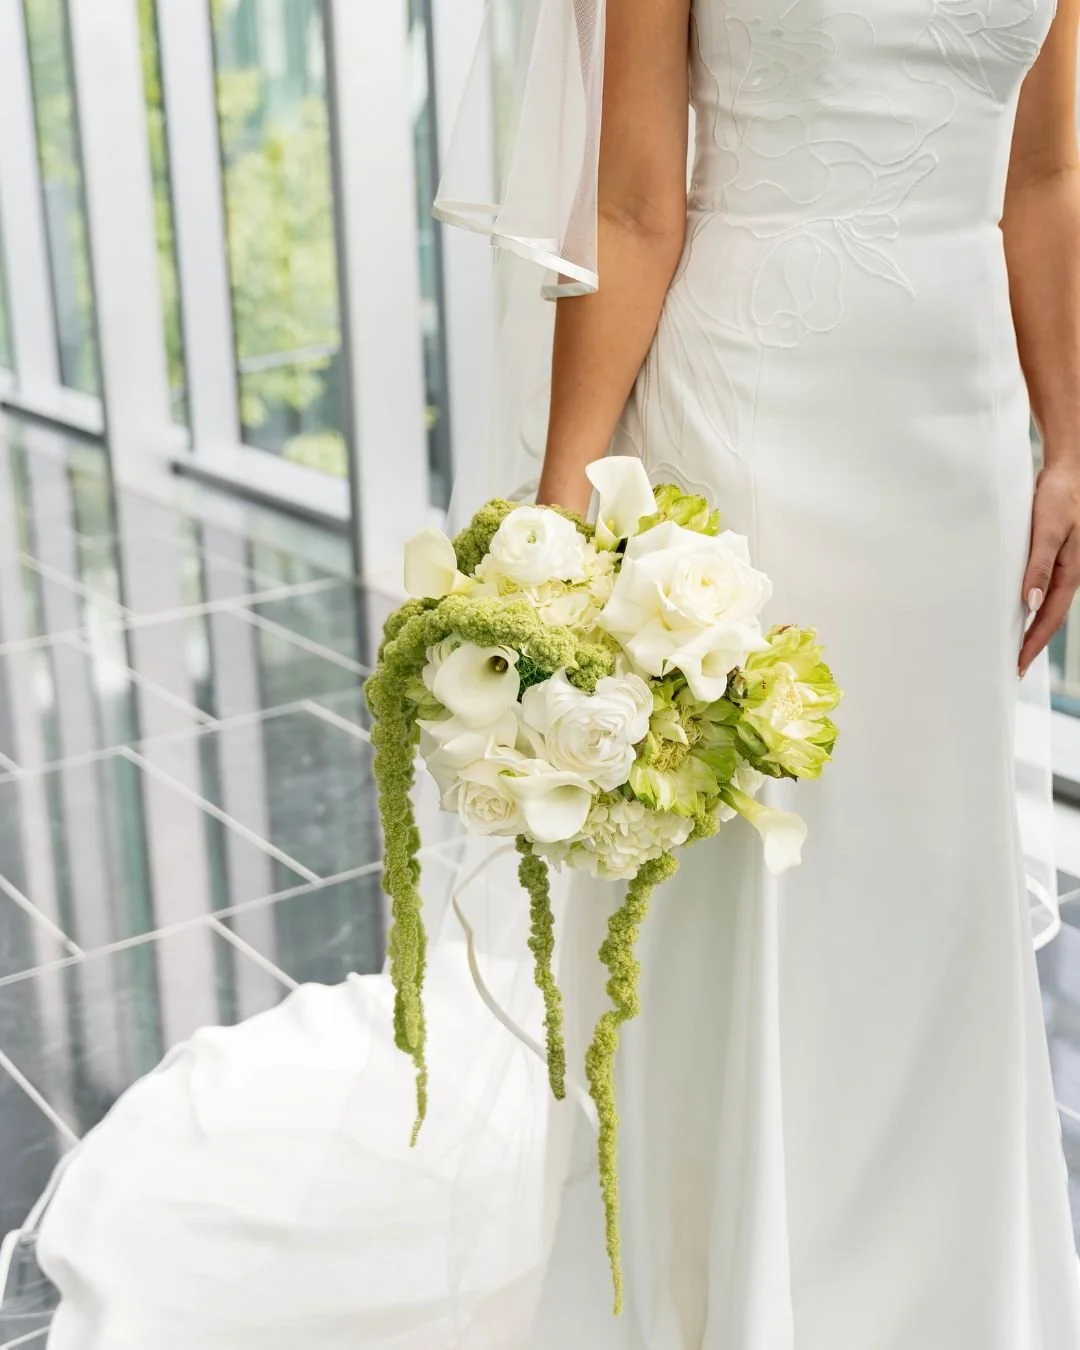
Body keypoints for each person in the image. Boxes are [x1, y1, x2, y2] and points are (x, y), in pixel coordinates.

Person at [20, 0, 1080, 1345]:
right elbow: (635, 205)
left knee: (927, 879)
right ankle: (723, 1284)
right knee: (750, 879)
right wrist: (558, 533)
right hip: (757, 430)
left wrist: (1069, 436)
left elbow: (1044, 172)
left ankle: (945, 1288)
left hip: (958, 449)